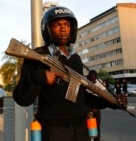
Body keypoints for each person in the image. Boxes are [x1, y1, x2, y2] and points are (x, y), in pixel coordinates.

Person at [12, 6, 127, 141]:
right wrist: (39, 78)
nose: (63, 29)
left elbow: (81, 97)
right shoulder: (37, 56)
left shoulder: (75, 59)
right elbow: (21, 98)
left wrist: (112, 102)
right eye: (57, 25)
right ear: (47, 29)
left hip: (81, 130)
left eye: (67, 24)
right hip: (54, 131)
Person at [86, 70, 106, 141]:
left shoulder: (99, 82)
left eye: (94, 81)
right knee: (87, 128)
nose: (93, 83)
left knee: (97, 128)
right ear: (88, 77)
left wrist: (97, 107)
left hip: (97, 108)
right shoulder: (84, 80)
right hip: (87, 108)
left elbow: (104, 93)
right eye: (91, 81)